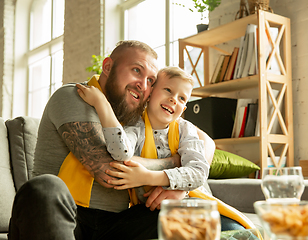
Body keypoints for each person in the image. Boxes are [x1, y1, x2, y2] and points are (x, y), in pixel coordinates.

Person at [8, 40, 216, 240]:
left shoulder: (138, 114)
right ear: (107, 66)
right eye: (136, 70)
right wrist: (175, 162)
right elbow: (108, 172)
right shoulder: (76, 95)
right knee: (44, 187)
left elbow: (207, 141)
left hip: (114, 224)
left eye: (151, 81)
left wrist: (181, 187)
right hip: (65, 214)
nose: (142, 85)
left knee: (195, 215)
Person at [76, 66, 210, 205]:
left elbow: (199, 173)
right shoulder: (135, 124)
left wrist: (148, 177)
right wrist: (101, 104)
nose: (174, 99)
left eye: (182, 98)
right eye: (168, 90)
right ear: (150, 93)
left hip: (194, 200)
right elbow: (121, 153)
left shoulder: (185, 129)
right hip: (148, 209)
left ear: (183, 109)